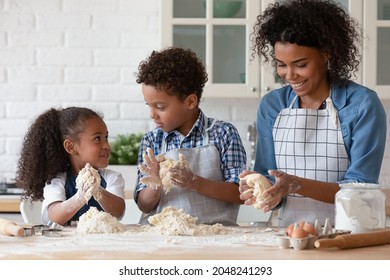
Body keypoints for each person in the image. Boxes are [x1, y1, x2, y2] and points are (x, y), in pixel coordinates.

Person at [239, 0, 387, 227]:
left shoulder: (361, 105)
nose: (289, 75)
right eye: (281, 65)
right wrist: (260, 189)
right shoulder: (272, 106)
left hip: (346, 234)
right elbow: (270, 179)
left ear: (325, 54)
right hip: (288, 235)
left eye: (300, 64)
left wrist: (296, 184)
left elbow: (359, 191)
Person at [134, 47, 247, 226]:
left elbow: (240, 193)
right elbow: (144, 206)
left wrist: (193, 181)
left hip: (215, 236)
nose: (152, 114)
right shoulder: (152, 141)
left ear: (190, 102)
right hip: (163, 236)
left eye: (160, 107)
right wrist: (154, 185)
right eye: (149, 105)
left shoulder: (223, 133)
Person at [16, 107, 126, 226]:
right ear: (70, 147)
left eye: (106, 138)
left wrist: (97, 190)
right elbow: (54, 217)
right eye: (97, 138)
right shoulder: (57, 180)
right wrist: (80, 197)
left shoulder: (112, 178)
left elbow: (118, 213)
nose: (106, 146)